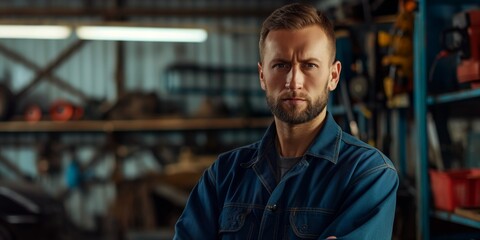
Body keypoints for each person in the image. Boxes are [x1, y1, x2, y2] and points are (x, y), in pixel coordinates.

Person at [174, 2, 398, 239]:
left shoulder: (368, 174)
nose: (294, 81)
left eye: (309, 65)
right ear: (262, 76)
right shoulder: (223, 176)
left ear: (333, 76)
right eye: (281, 65)